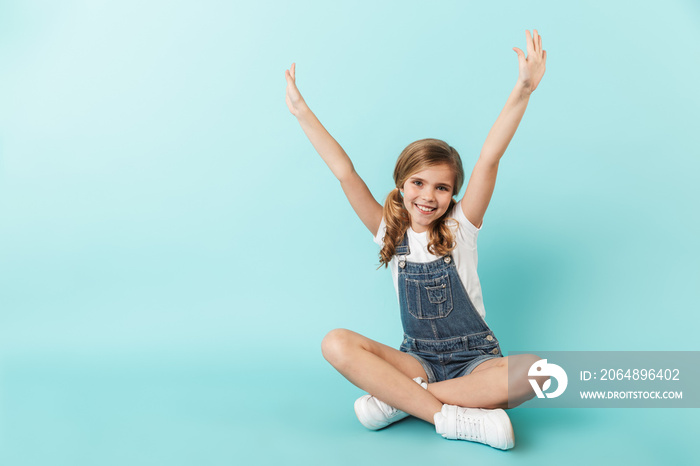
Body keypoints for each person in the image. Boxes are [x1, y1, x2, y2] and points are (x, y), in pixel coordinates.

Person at [285, 30, 549, 450]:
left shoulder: (463, 226)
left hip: (475, 362)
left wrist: (523, 89)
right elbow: (344, 172)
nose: (428, 196)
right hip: (417, 361)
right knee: (335, 342)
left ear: (454, 194)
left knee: (538, 373)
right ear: (401, 183)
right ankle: (450, 417)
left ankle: (402, 399)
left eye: (442, 188)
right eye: (419, 183)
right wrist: (302, 113)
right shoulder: (389, 231)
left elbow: (489, 157)